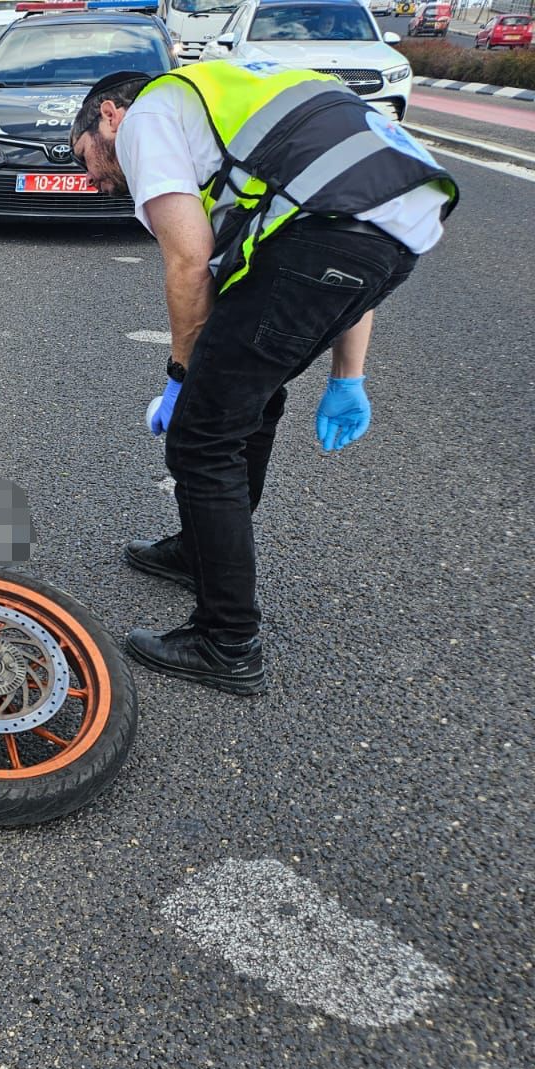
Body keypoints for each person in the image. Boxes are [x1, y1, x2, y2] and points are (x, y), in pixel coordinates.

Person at [68, 63, 457, 695]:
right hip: (394, 234)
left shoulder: (148, 114)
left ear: (109, 114)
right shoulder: (239, 113)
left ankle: (227, 641)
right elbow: (357, 232)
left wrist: (180, 377)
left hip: (327, 238)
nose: (90, 176)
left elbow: (189, 261)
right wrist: (346, 376)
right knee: (250, 399)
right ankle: (199, 551)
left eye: (83, 154)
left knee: (201, 437)